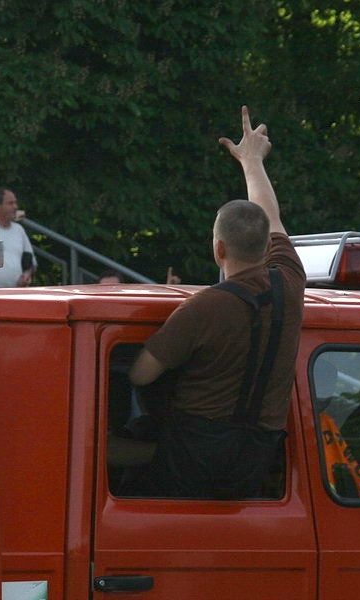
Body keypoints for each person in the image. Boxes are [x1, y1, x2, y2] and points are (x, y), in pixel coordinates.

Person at [123, 106, 305, 499]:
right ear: (266, 246)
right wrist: (252, 161)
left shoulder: (202, 307)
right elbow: (270, 216)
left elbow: (140, 375)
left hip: (195, 450)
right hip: (257, 454)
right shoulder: (289, 280)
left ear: (218, 248)